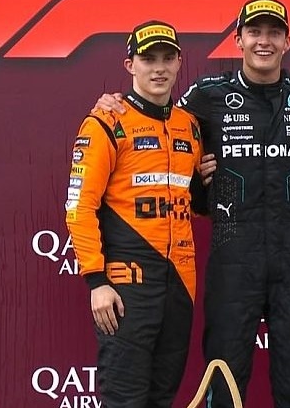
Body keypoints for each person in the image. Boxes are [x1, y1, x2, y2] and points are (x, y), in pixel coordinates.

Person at [92, 0, 290, 408]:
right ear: (238, 40)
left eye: (274, 33)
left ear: (288, 41)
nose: (264, 41)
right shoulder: (208, 95)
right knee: (224, 378)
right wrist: (114, 103)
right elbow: (155, 115)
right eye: (254, 32)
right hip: (233, 257)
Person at [65, 20, 204, 407]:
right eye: (148, 59)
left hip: (180, 283)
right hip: (126, 285)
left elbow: (197, 199)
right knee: (125, 399)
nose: (159, 68)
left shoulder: (190, 126)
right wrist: (96, 281)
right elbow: (79, 206)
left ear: (179, 63)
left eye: (167, 58)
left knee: (163, 397)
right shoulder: (106, 122)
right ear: (130, 65)